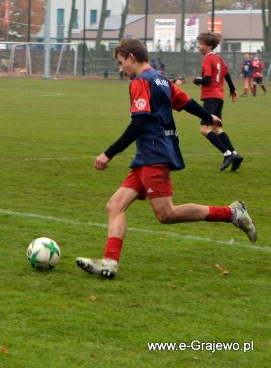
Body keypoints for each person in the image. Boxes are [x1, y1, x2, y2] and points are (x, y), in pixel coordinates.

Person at [76, 38, 257, 280]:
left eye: (121, 63)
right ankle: (109, 263)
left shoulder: (141, 82)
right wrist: (208, 117)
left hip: (154, 153)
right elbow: (186, 102)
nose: (121, 69)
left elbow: (139, 123)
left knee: (166, 214)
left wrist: (108, 153)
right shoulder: (161, 79)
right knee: (115, 206)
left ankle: (233, 213)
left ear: (131, 57)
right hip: (148, 153)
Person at [193, 32, 243, 172]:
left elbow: (207, 79)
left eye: (201, 44)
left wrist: (197, 81)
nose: (199, 47)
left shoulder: (208, 59)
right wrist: (232, 89)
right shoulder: (218, 59)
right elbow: (226, 74)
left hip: (211, 98)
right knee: (217, 128)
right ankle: (234, 155)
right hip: (219, 98)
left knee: (204, 129)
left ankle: (227, 154)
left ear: (209, 46)